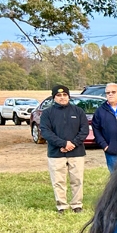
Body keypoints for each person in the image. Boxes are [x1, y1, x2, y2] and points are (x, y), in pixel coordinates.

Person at [41, 85, 89, 214]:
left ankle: (77, 205)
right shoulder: (47, 113)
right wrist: (62, 144)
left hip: (76, 152)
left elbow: (84, 130)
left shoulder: (78, 111)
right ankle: (62, 206)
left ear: (68, 96)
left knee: (77, 180)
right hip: (56, 153)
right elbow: (46, 132)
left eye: (65, 95)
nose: (62, 97)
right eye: (59, 95)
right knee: (58, 181)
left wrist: (72, 144)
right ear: (54, 97)